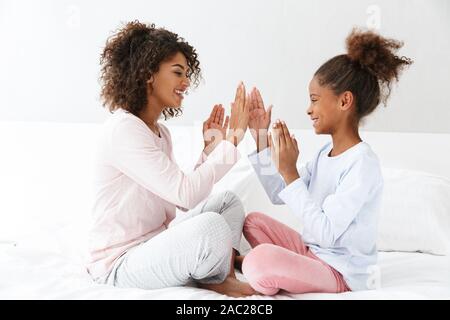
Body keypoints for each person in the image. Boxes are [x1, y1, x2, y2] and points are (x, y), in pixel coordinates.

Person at [86, 21, 255, 297]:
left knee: (228, 203)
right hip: (119, 264)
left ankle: (223, 272)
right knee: (210, 227)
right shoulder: (124, 129)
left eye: (187, 74)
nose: (186, 82)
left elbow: (179, 199)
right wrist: (233, 139)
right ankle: (216, 273)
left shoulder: (159, 132)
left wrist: (208, 153)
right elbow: (186, 195)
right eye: (178, 72)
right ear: (148, 74)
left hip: (155, 244)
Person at [237, 28, 412, 295]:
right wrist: (261, 140)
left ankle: (249, 266)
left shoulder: (362, 163)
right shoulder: (324, 154)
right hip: (313, 253)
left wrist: (291, 173)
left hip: (340, 271)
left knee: (260, 261)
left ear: (344, 101)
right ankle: (266, 266)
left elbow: (327, 233)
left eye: (315, 100)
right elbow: (278, 193)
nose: (308, 109)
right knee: (253, 222)